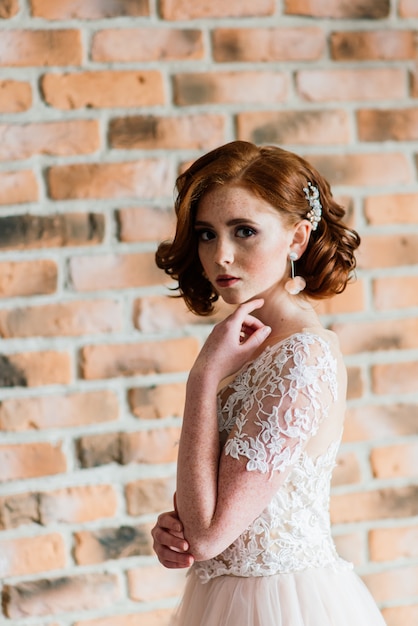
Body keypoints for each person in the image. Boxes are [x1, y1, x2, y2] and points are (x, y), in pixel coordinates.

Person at [151, 141, 387, 625]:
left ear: (297, 239)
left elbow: (211, 534)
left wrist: (202, 379)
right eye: (206, 234)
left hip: (281, 605)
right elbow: (211, 518)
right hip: (224, 598)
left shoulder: (302, 354)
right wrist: (173, 528)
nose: (222, 256)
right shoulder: (251, 348)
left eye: (244, 231)